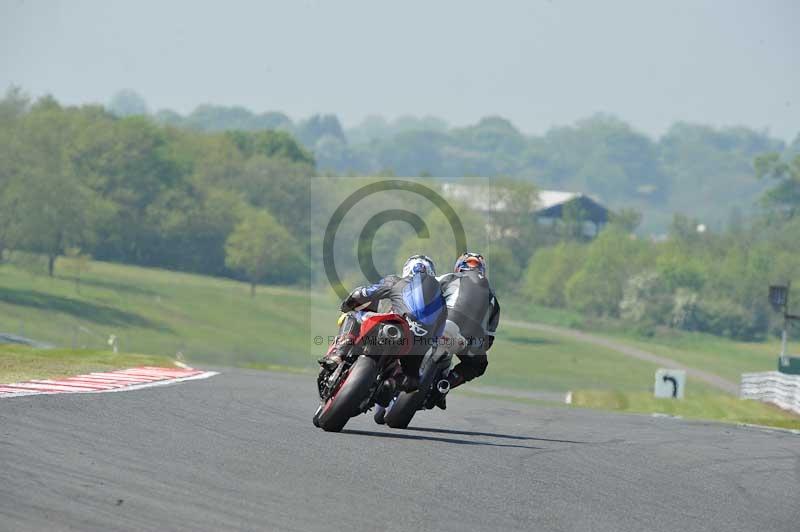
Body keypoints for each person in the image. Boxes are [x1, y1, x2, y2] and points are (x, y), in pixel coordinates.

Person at [318, 254, 447, 393]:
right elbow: (437, 337)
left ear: (407, 269)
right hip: (418, 347)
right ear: (432, 274)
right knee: (411, 380)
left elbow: (363, 293)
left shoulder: (395, 281)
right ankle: (390, 384)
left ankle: (338, 353)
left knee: (352, 315)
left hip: (396, 328)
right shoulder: (441, 301)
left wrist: (347, 305)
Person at [435, 252, 500, 407]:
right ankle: (446, 383)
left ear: (459, 267)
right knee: (478, 364)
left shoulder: (449, 277)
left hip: (442, 322)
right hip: (470, 337)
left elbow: (422, 292)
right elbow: (489, 338)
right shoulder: (492, 297)